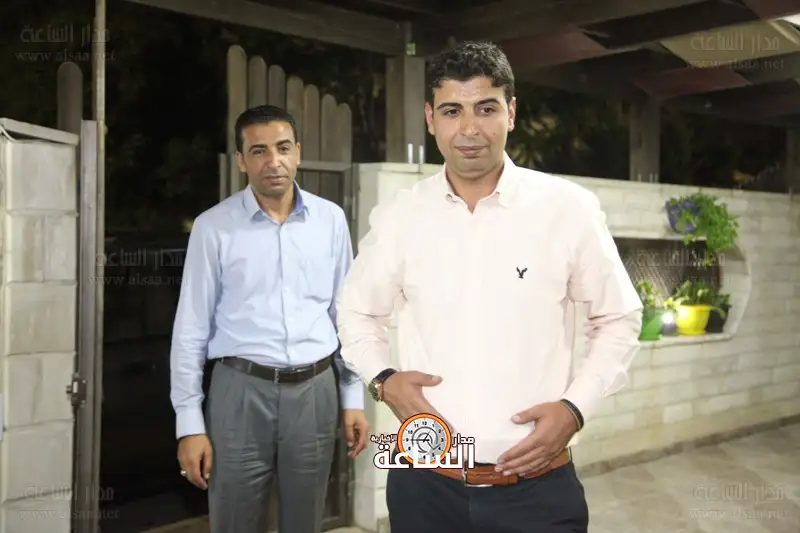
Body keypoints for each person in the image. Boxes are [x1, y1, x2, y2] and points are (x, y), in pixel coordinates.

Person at [335, 41, 642, 533]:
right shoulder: (400, 214)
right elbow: (355, 312)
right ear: (430, 118)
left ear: (511, 113)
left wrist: (574, 409)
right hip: (423, 482)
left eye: (486, 108)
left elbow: (619, 318)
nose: (469, 128)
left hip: (537, 487)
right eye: (452, 111)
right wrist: (383, 380)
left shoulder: (567, 208)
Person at [170, 104, 369, 533]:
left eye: (282, 148)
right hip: (240, 394)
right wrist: (189, 424)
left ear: (298, 152)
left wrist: (352, 396)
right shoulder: (213, 227)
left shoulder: (331, 220)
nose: (273, 161)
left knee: (306, 521)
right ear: (241, 161)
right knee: (235, 522)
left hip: (315, 393)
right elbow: (190, 329)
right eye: (258, 151)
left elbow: (346, 315)